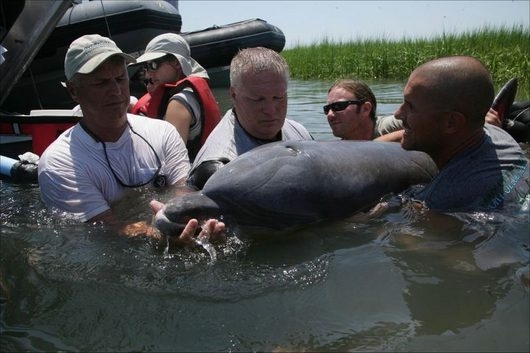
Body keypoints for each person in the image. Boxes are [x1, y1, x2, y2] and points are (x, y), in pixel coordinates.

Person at [38, 34, 224, 244]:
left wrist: (190, 224)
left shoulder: (163, 133)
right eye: (101, 83)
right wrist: (162, 234)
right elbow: (105, 228)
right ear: (74, 91)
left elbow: (182, 190)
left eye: (120, 79)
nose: (116, 91)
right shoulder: (59, 163)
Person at [394, 55, 529, 212]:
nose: (398, 113)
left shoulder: (444, 199)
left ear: (451, 122)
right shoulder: (498, 135)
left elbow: (407, 235)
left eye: (410, 106)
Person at [188, 47, 313, 189]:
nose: (271, 110)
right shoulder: (218, 169)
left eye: (278, 97)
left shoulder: (300, 133)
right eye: (258, 99)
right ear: (234, 95)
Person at [130, 33, 221, 161]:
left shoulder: (179, 103)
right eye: (146, 66)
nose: (149, 73)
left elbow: (171, 162)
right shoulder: (189, 94)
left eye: (154, 65)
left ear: (176, 63)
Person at [324, 79, 402, 140]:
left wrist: (377, 143)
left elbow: (414, 124)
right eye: (327, 109)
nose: (329, 115)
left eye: (338, 106)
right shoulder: (340, 149)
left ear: (365, 109)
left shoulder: (389, 126)